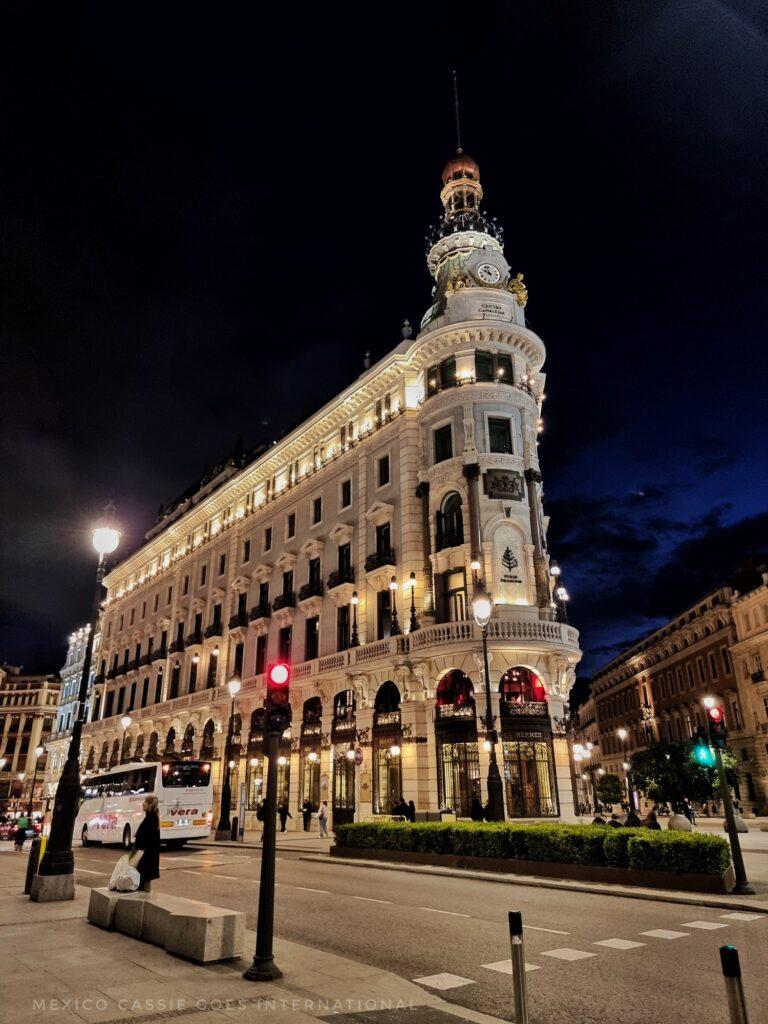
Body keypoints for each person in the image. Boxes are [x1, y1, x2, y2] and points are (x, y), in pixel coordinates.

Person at [133, 795, 160, 892]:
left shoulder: (151, 818)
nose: (143, 804)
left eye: (145, 802)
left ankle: (144, 898)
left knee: (144, 884)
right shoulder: (150, 817)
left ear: (150, 805)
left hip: (146, 856)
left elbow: (148, 838)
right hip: (145, 855)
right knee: (143, 881)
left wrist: (139, 837)